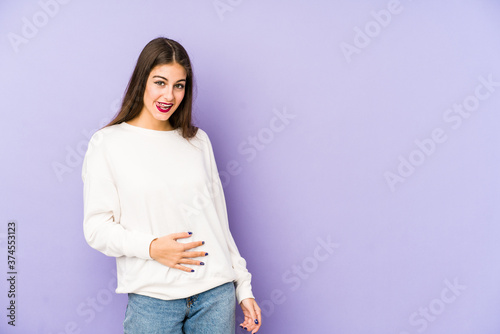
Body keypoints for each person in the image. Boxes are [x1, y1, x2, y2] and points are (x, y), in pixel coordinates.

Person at [81, 37, 261, 334]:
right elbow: (97, 228)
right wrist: (152, 248)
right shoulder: (107, 144)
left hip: (215, 294)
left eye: (179, 85)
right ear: (142, 81)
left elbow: (218, 222)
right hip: (153, 300)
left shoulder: (197, 141)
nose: (170, 95)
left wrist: (244, 286)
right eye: (160, 82)